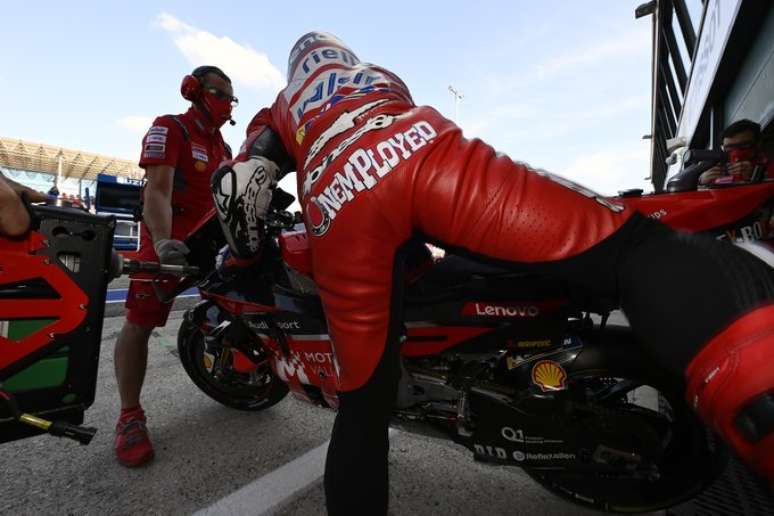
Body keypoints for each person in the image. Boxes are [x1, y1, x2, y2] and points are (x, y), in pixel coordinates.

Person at [212, 33, 774, 513]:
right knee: (632, 250)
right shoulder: (378, 76)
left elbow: (242, 190)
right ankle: (757, 384)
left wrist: (241, 252)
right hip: (427, 151)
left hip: (343, 205)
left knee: (363, 411)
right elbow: (388, 155)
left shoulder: (282, 105)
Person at [114, 65, 235, 467]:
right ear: (193, 91)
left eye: (230, 98)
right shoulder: (170, 128)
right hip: (166, 236)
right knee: (140, 322)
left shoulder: (225, 148)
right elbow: (158, 192)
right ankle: (129, 416)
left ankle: (238, 376)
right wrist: (164, 243)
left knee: (241, 302)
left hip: (208, 240)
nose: (226, 104)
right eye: (219, 94)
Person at [699, 119, 774, 185]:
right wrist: (701, 180)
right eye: (729, 148)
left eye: (744, 145)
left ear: (758, 144)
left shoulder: (769, 168)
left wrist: (758, 177)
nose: (736, 153)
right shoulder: (717, 167)